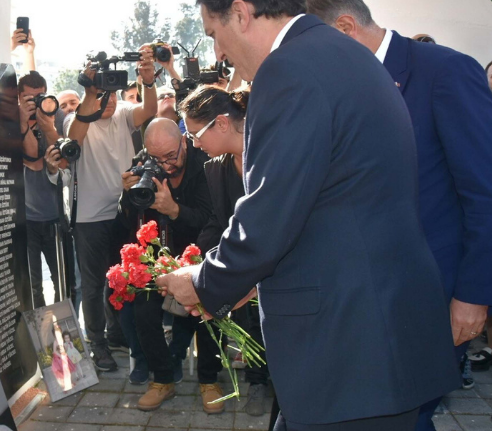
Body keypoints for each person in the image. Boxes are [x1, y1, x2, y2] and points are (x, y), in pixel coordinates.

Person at [156, 1, 459, 430]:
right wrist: (245, 281)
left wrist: (204, 282)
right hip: (378, 338)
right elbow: (330, 201)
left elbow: (270, 213)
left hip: (348, 352)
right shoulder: (345, 52)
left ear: (241, 13)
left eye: (212, 33)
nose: (219, 53)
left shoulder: (287, 71)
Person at [305, 1, 492, 428]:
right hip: (365, 295)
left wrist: (473, 295)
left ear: (346, 27)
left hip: (432, 295)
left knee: (409, 412)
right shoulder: (336, 84)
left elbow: (484, 191)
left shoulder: (444, 72)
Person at [178, 85, 270, 417]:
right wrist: (195, 257)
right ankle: (258, 382)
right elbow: (220, 219)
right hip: (240, 267)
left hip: (279, 266)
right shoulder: (214, 168)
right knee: (247, 322)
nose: (194, 143)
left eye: (195, 134)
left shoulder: (271, 153)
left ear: (221, 122)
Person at [65, 43, 158, 372]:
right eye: (102, 92)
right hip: (89, 218)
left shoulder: (122, 115)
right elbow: (74, 138)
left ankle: (117, 331)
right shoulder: (77, 121)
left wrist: (147, 80)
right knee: (92, 285)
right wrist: (90, 93)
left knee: (123, 278)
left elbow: (149, 111)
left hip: (123, 212)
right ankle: (97, 343)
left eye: (113, 92)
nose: (109, 100)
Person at [117, 118, 216, 412]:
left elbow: (211, 220)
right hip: (160, 258)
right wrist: (127, 194)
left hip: (201, 255)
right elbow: (126, 222)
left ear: (184, 141)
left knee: (208, 311)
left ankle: (209, 380)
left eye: (171, 156)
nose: (166, 165)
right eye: (157, 158)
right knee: (143, 311)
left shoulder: (205, 164)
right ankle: (162, 379)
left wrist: (174, 210)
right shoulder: (145, 165)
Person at [17, 71, 75, 308]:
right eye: (28, 98)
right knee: (32, 286)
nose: (34, 102)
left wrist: (45, 123)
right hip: (25, 218)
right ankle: (40, 339)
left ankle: (69, 337)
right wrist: (23, 121)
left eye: (38, 96)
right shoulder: (13, 119)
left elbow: (60, 159)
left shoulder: (56, 115)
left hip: (55, 215)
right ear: (19, 98)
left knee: (64, 281)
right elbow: (33, 157)